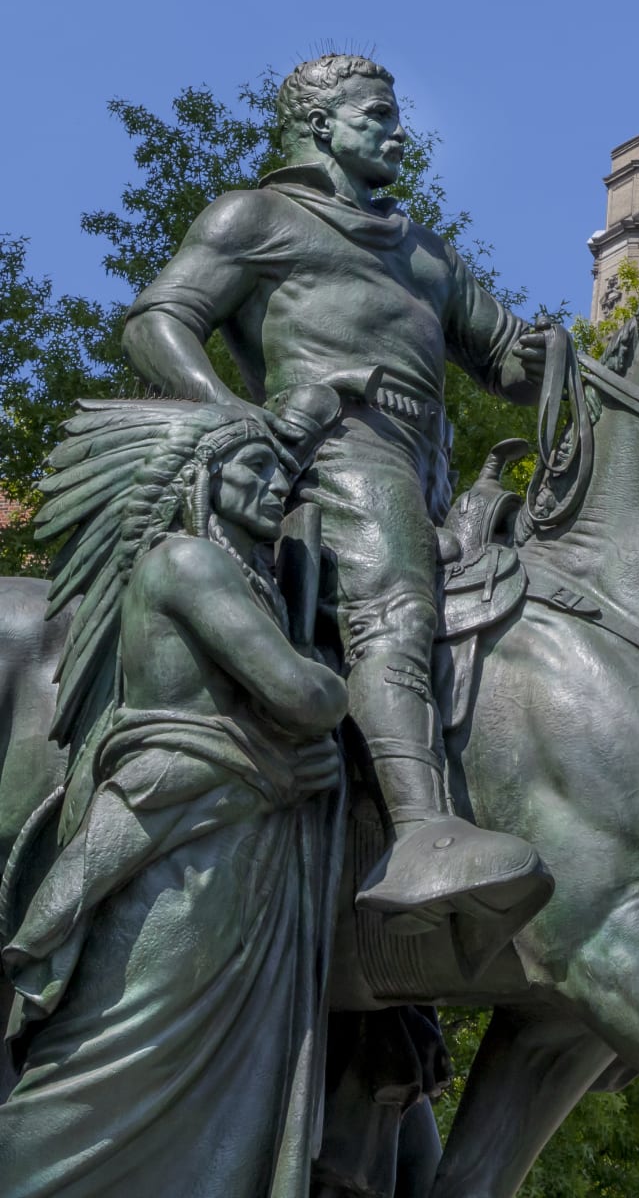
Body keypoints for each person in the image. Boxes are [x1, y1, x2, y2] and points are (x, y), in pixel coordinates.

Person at [119, 53, 555, 931]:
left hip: (428, 463)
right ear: (322, 124)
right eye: (379, 115)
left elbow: (504, 359)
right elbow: (157, 320)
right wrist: (232, 414)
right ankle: (423, 830)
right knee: (394, 603)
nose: (399, 133)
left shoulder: (424, 252)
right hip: (333, 447)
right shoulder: (257, 216)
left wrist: (552, 358)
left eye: (397, 117)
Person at [0, 401, 346, 1196]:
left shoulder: (245, 576)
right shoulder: (187, 562)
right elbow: (303, 696)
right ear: (202, 473)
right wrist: (340, 676)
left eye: (283, 476)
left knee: (219, 1080)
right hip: (182, 830)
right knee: (124, 1047)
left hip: (238, 834)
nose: (275, 489)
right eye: (256, 469)